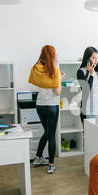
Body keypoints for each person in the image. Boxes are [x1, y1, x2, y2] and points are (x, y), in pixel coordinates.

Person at [28, 45, 65, 174]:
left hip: (40, 105)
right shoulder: (54, 68)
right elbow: (57, 91)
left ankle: (38, 157)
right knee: (51, 134)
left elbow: (35, 87)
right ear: (53, 54)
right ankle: (51, 164)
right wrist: (60, 79)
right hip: (52, 105)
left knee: (47, 131)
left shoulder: (36, 68)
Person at [77, 47, 98, 125]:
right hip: (87, 106)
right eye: (94, 58)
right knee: (88, 134)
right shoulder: (81, 71)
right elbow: (86, 90)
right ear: (87, 58)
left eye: (97, 58)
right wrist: (91, 74)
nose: (96, 60)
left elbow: (97, 89)